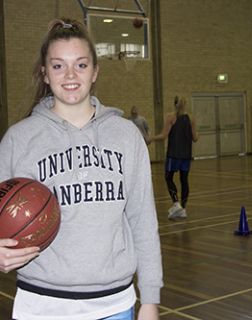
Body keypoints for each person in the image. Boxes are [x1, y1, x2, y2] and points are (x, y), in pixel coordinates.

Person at [0, 18, 162, 320]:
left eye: (81, 65)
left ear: (95, 71)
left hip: (114, 305)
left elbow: (143, 221)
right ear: (45, 73)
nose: (71, 75)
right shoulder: (19, 139)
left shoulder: (126, 136)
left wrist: (150, 299)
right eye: (58, 66)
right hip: (41, 305)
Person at [149, 96, 198, 220]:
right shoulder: (191, 118)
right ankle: (183, 208)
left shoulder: (171, 117)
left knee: (168, 177)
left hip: (174, 154)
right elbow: (195, 138)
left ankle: (176, 203)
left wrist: (151, 138)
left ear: (174, 104)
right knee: (184, 180)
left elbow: (164, 135)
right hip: (186, 155)